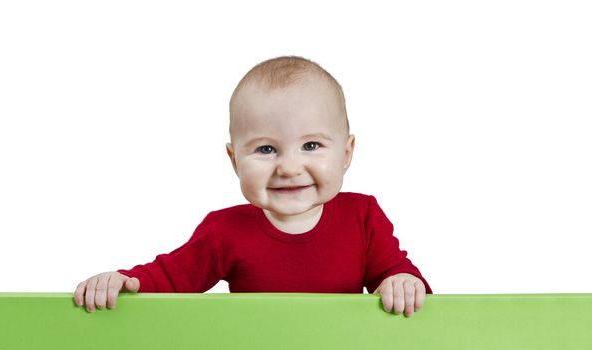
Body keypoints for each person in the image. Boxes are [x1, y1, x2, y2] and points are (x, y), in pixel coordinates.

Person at [74, 56, 432, 317]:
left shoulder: (362, 216)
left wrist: (402, 281)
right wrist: (122, 280)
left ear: (346, 154)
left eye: (311, 146)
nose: (289, 168)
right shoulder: (224, 230)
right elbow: (168, 279)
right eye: (266, 149)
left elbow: (400, 278)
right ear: (234, 160)